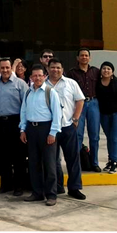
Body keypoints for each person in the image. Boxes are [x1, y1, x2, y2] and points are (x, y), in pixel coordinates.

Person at [19, 65, 62, 206]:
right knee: (34, 163)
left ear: (44, 76)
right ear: (30, 77)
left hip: (46, 129)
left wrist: (53, 132)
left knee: (49, 164)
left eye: (40, 75)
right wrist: (23, 129)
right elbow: (23, 112)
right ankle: (37, 193)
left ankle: (51, 194)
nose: (37, 78)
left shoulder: (50, 92)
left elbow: (57, 114)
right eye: (34, 76)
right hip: (31, 129)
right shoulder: (28, 93)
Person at [46, 58, 86, 200]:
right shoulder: (43, 84)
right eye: (52, 67)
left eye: (58, 67)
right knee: (53, 160)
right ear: (48, 69)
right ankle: (57, 186)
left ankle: (74, 188)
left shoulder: (71, 83)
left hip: (68, 126)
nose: (55, 70)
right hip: (50, 129)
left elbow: (80, 100)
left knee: (73, 158)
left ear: (62, 69)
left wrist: (75, 119)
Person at [0, 58, 29, 195]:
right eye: (2, 68)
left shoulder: (20, 84)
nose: (5, 70)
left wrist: (24, 126)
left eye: (7, 67)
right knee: (2, 155)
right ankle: (6, 185)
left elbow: (26, 105)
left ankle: (19, 186)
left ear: (11, 68)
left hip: (15, 122)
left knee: (18, 157)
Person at [66, 48, 102, 172]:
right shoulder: (71, 73)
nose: (84, 57)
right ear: (77, 58)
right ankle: (77, 164)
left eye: (86, 55)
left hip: (93, 103)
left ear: (90, 58)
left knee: (95, 135)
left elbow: (109, 80)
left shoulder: (96, 71)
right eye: (82, 55)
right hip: (78, 105)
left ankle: (94, 162)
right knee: (78, 135)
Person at [97, 61, 117, 174]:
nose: (106, 70)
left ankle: (115, 162)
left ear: (112, 71)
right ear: (100, 71)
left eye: (108, 69)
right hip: (103, 115)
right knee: (109, 138)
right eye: (104, 68)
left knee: (115, 138)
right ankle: (110, 161)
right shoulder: (97, 82)